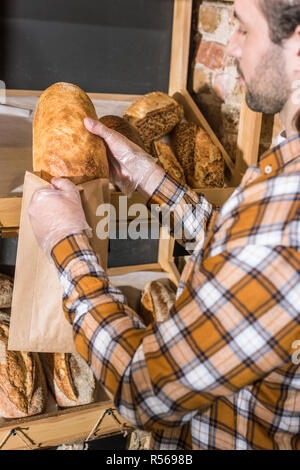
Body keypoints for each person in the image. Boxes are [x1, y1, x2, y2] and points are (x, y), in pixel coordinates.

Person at [28, 0, 300, 450]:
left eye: (245, 30)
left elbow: (144, 393)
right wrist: (149, 175)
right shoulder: (288, 158)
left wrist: (67, 243)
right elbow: (237, 252)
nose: (231, 47)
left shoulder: (287, 215)